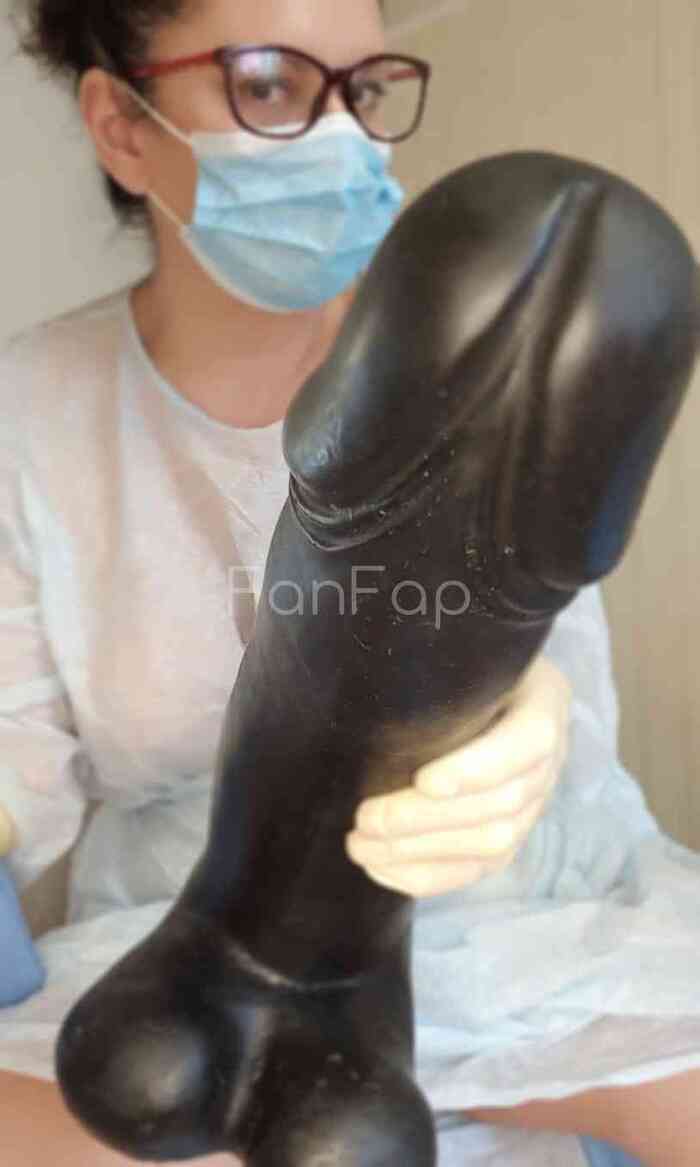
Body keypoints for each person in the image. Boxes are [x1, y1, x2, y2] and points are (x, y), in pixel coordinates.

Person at [1, 1, 700, 1165]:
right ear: (121, 124)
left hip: (527, 924)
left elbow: (539, 618)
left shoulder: (460, 335)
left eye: (363, 89)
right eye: (269, 85)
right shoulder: (28, 412)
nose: (344, 140)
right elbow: (14, 760)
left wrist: (524, 715)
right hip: (185, 948)